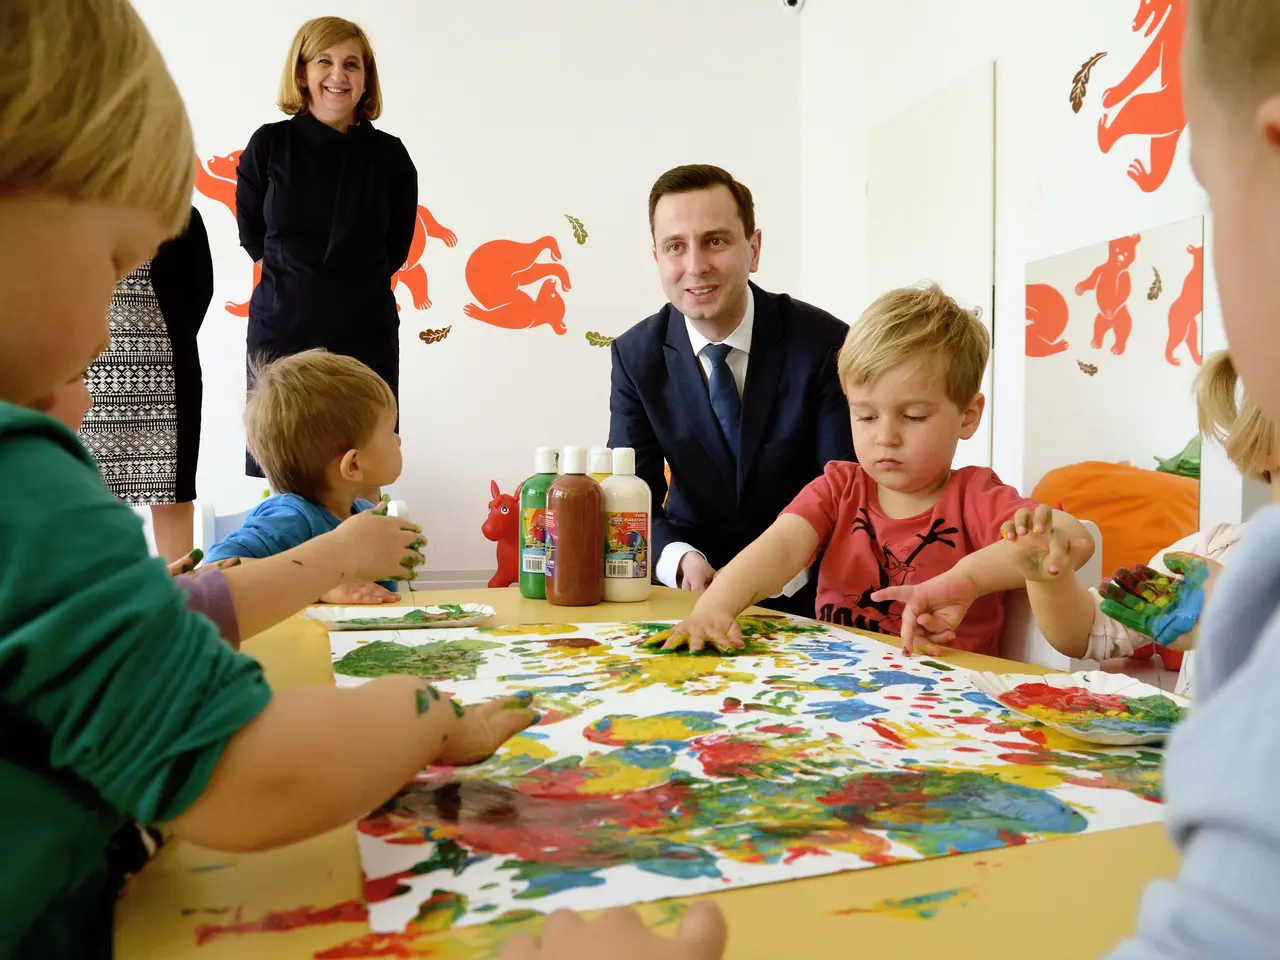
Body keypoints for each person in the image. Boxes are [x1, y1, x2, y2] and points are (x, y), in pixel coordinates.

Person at [0, 3, 534, 956]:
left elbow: (180, 615)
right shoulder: (24, 477)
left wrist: (316, 564)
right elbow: (250, 774)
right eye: (118, 262)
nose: (110, 330)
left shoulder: (387, 160)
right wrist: (430, 719)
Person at [654, 283, 1093, 656]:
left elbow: (1072, 537)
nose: (886, 436)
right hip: (841, 687)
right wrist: (715, 607)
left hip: (946, 703)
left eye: (914, 416)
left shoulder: (974, 496)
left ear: (967, 416)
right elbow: (778, 550)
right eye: (865, 416)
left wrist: (968, 578)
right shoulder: (839, 488)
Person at [608, 163, 854, 616]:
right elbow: (632, 495)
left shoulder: (826, 344)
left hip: (806, 589)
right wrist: (678, 560)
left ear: (754, 249)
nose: (696, 266)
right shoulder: (634, 355)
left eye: (716, 241)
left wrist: (772, 572)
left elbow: (842, 484)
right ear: (657, 258)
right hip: (687, 589)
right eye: (675, 247)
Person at [1005, 351, 1275, 698]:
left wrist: (1234, 610)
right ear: (1263, 445)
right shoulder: (1214, 551)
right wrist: (1048, 581)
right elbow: (1089, 633)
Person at [236, 16, 417, 482]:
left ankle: (364, 556)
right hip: (283, 331)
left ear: (365, 79)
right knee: (287, 477)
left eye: (351, 64)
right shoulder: (268, 145)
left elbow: (395, 247)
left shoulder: (391, 157)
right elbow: (254, 235)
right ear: (302, 73)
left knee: (366, 473)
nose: (339, 75)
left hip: (365, 333)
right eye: (325, 61)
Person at [204, 349, 409, 603]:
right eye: (390, 431)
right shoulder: (290, 518)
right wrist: (318, 586)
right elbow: (214, 573)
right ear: (353, 465)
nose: (398, 440)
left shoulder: (364, 513)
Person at [79, 205, 212, 561]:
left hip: (166, 377)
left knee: (171, 497)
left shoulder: (180, 216)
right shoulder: (72, 209)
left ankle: (177, 603)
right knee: (90, 496)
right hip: (88, 377)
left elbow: (199, 293)